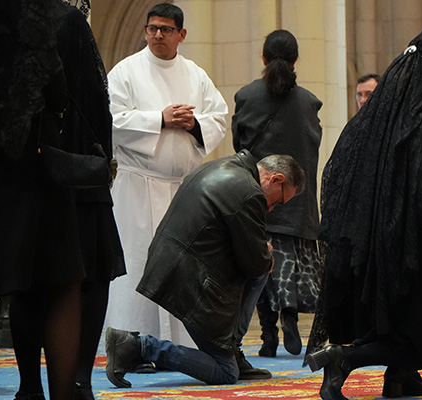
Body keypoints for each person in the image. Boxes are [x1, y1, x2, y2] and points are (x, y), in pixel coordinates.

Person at [305, 20, 422, 400]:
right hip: (402, 255)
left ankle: (399, 378)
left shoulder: (365, 125)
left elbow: (333, 179)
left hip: (359, 253)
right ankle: (344, 358)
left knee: (404, 325)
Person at [0, 1, 123, 399]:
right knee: (63, 283)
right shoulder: (50, 18)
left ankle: (29, 388)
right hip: (43, 168)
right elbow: (67, 93)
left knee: (21, 283)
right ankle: (70, 388)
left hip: (8, 174)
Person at [104, 152, 305, 388]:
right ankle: (139, 346)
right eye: (277, 201)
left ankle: (231, 349)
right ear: (276, 179)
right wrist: (265, 254)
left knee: (261, 264)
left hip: (174, 266)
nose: (271, 208)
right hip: (189, 278)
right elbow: (256, 263)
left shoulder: (222, 166)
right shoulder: (249, 192)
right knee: (224, 372)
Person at [104, 2, 228, 355]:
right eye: (152, 28)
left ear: (181, 35)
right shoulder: (125, 71)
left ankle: (181, 344)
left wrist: (195, 124)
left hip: (181, 189)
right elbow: (111, 119)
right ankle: (128, 342)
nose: (157, 35)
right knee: (137, 264)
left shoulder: (196, 75)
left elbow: (219, 116)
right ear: (145, 31)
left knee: (181, 266)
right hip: (137, 188)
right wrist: (159, 119)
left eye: (166, 29)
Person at [232, 29, 323, 358]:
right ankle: (291, 315)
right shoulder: (309, 102)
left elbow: (239, 149)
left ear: (263, 59)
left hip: (258, 200)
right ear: (296, 60)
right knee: (292, 267)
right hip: (297, 207)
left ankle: (268, 335)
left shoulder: (246, 97)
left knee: (259, 267)